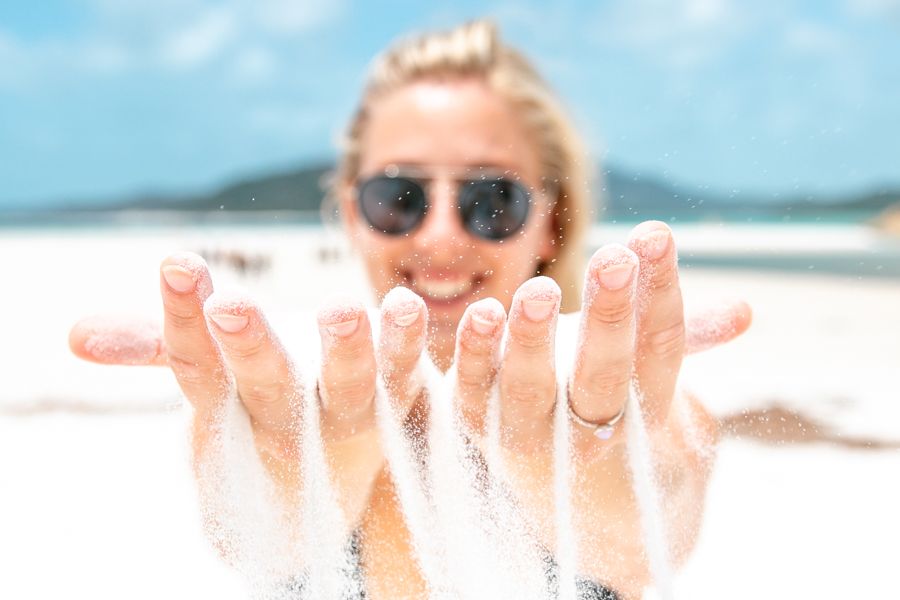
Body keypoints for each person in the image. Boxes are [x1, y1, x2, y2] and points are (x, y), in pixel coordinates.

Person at [69, 20, 751, 599]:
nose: (441, 237)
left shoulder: (633, 403)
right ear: (350, 214)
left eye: (492, 201)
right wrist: (288, 468)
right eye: (399, 198)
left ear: (551, 222)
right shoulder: (278, 401)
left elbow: (665, 502)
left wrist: (606, 472)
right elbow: (248, 527)